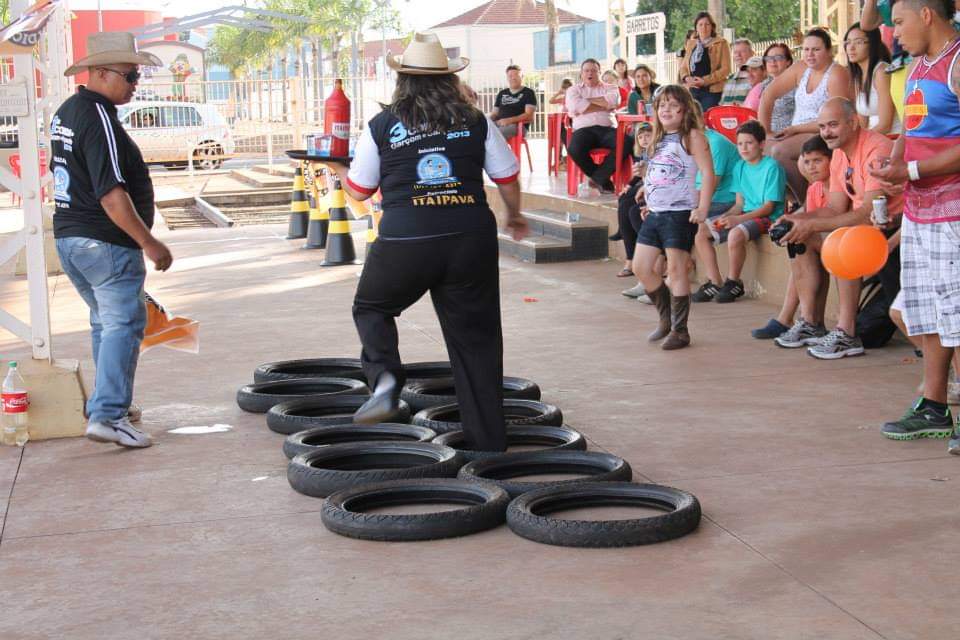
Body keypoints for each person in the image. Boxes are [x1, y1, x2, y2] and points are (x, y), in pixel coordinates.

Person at [320, 33, 527, 452]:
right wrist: (514, 214)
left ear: (403, 80)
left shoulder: (381, 125)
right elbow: (506, 176)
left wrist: (334, 168)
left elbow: (359, 190)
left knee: (373, 306)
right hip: (470, 237)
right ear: (449, 79)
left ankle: (386, 381)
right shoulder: (474, 119)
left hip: (407, 239)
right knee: (476, 339)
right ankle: (488, 447)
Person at [51, 33, 171, 448]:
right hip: (104, 241)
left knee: (106, 323)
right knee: (123, 324)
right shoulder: (98, 116)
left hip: (73, 240)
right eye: (130, 75)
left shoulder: (68, 111)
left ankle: (104, 406)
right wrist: (150, 243)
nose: (135, 84)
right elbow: (111, 194)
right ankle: (109, 415)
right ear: (99, 73)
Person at [869, 0, 960, 449]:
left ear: (927, 14)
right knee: (925, 312)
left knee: (959, 314)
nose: (894, 33)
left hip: (955, 210)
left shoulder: (958, 61)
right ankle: (934, 406)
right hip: (921, 210)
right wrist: (894, 161)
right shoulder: (918, 66)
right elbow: (912, 126)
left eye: (899, 22)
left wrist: (914, 173)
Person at [777, 97, 902, 359]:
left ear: (853, 122)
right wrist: (800, 220)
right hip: (868, 229)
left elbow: (868, 211)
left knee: (841, 239)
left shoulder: (875, 149)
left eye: (832, 125)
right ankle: (811, 323)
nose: (826, 132)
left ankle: (847, 333)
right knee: (800, 236)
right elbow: (835, 207)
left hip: (895, 229)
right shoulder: (838, 156)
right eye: (822, 126)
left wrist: (815, 223)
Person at [632, 85, 716, 350]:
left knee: (677, 269)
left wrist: (702, 208)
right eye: (661, 105)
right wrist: (647, 188)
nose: (666, 110)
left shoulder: (691, 136)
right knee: (641, 267)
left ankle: (680, 330)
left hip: (679, 213)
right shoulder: (658, 138)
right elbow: (659, 169)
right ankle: (666, 317)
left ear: (684, 109)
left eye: (672, 105)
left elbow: (708, 173)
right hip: (656, 212)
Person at [696, 121, 787, 304]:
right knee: (702, 233)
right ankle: (714, 282)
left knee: (736, 234)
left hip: (768, 218)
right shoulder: (740, 167)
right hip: (745, 214)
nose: (743, 148)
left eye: (749, 143)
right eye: (739, 144)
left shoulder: (772, 167)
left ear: (761, 144)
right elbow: (739, 203)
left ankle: (734, 282)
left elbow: (768, 207)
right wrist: (727, 216)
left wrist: (738, 220)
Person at [760, 28, 852, 201]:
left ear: (829, 51)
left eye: (816, 50)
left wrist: (796, 129)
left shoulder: (836, 73)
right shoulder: (801, 68)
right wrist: (765, 131)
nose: (810, 54)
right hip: (797, 131)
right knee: (760, 149)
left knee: (779, 151)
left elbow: (837, 118)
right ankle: (782, 204)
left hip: (825, 132)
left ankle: (806, 202)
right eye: (806, 49)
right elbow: (767, 95)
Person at [690, 126, 741, 302]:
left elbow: (713, 182)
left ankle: (714, 281)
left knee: (692, 227)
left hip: (726, 201)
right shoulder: (687, 142)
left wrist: (695, 206)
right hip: (710, 200)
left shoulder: (715, 143)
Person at [565, 58, 630, 193]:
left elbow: (613, 101)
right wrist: (603, 105)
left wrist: (585, 103)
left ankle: (597, 178)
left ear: (599, 73)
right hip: (583, 130)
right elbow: (575, 105)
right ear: (581, 74)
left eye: (594, 71)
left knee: (627, 142)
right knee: (574, 148)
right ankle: (603, 179)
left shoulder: (611, 87)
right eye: (587, 71)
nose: (590, 73)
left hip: (607, 129)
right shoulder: (573, 90)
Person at [613, 121, 654, 280]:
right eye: (641, 137)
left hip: (654, 185)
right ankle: (630, 259)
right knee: (624, 198)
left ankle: (634, 255)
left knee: (632, 211)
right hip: (644, 183)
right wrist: (629, 185)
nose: (644, 139)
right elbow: (638, 173)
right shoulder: (643, 152)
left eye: (648, 136)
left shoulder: (659, 150)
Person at [844, 23, 901, 133]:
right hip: (874, 137)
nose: (851, 47)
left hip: (891, 138)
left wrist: (862, 143)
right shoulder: (858, 74)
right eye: (848, 42)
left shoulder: (881, 72)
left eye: (858, 42)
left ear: (872, 44)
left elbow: (885, 125)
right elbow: (862, 122)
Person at [679, 12, 732, 112]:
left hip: (713, 92)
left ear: (712, 27)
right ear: (696, 28)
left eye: (707, 24)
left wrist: (704, 81)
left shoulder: (721, 43)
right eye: (700, 24)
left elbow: (726, 69)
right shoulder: (691, 44)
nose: (704, 27)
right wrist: (686, 78)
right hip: (693, 91)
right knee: (693, 121)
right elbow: (683, 67)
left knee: (707, 121)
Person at [753, 43, 797, 135]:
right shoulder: (764, 85)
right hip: (765, 137)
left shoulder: (796, 85)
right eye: (768, 58)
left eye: (778, 58)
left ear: (788, 61)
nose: (772, 61)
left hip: (788, 136)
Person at [490, 64, 537, 141]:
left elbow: (529, 115)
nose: (513, 78)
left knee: (494, 135)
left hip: (517, 126)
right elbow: (495, 113)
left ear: (521, 77)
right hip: (499, 123)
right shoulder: (502, 93)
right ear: (507, 78)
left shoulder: (528, 92)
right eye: (510, 76)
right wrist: (487, 121)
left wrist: (509, 120)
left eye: (516, 75)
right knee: (481, 131)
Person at [720, 38, 756, 106]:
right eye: (735, 52)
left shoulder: (757, 78)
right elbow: (722, 105)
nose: (738, 55)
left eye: (742, 51)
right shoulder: (730, 79)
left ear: (752, 54)